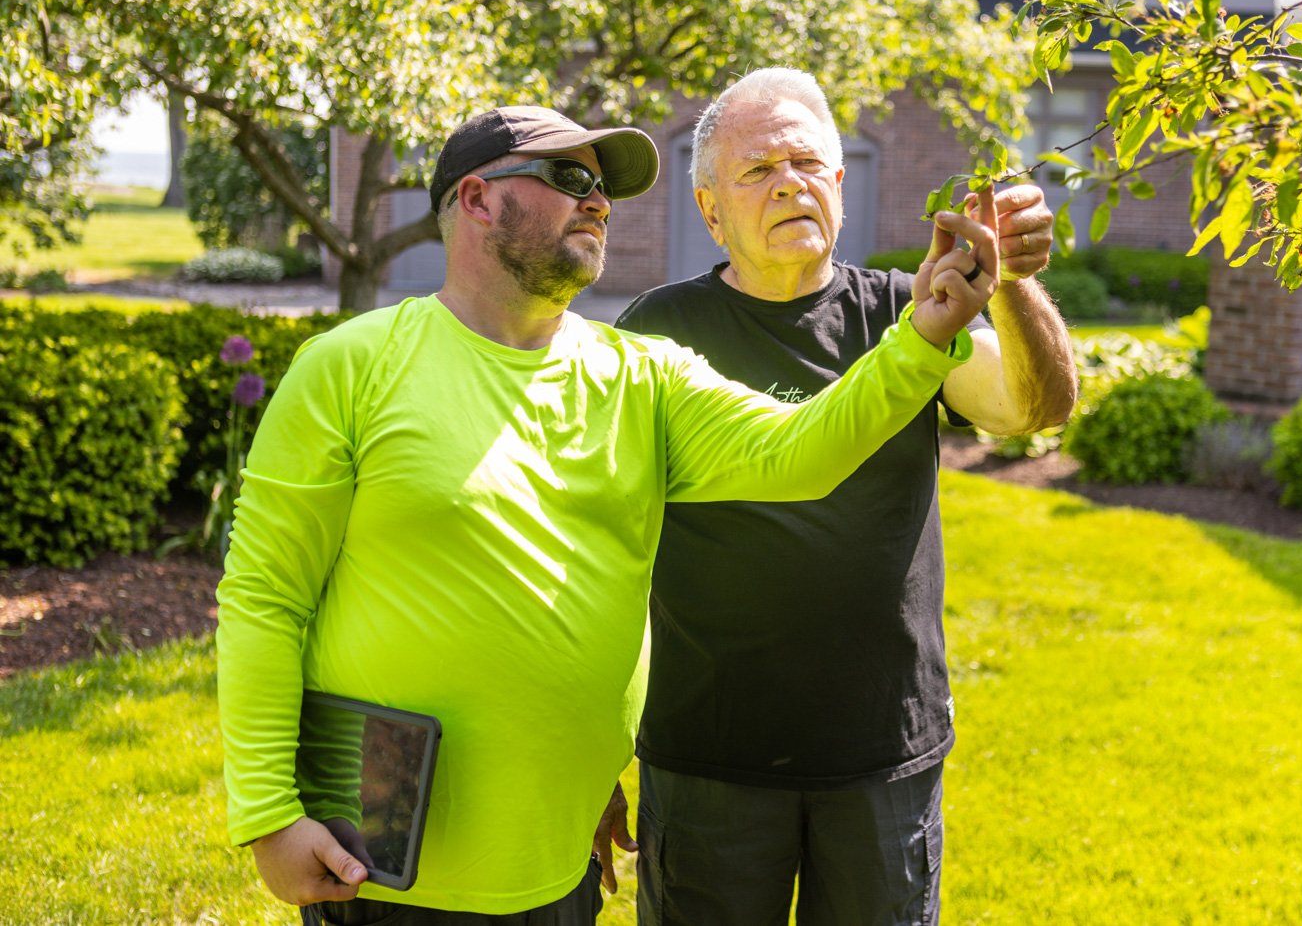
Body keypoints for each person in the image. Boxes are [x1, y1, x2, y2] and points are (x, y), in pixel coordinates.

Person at [215, 103, 1000, 925]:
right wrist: (270, 812)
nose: (596, 201)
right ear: (477, 199)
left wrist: (922, 337)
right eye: (568, 177)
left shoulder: (642, 373)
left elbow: (798, 450)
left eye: (602, 187)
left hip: (563, 871)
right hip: (387, 875)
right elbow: (265, 596)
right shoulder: (350, 367)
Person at [616, 68, 1077, 926]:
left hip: (881, 755)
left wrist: (1007, 280)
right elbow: (601, 548)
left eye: (806, 162)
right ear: (711, 210)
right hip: (710, 756)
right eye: (757, 170)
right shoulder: (656, 333)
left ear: (837, 182)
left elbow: (1036, 406)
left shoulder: (909, 314)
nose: (788, 181)